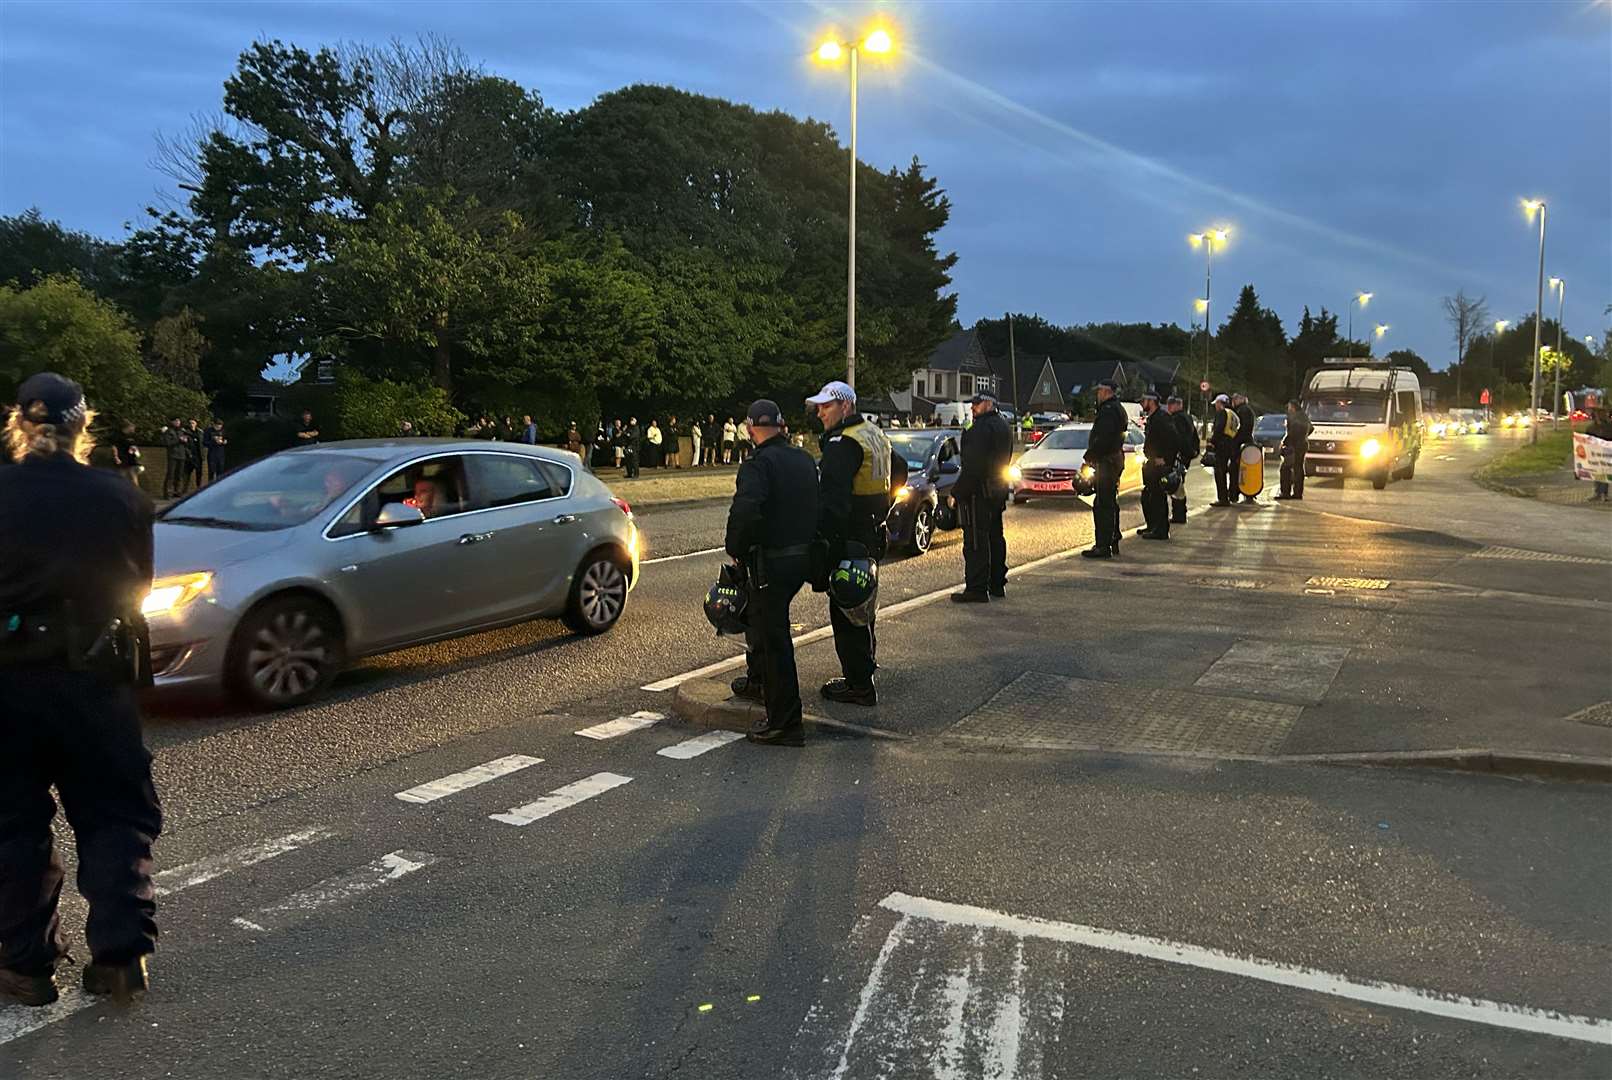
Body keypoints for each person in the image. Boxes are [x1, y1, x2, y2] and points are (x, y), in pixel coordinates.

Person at [0, 373, 162, 1006]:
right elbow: (139, 587)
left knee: (13, 823)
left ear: (18, 423)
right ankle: (121, 959)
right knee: (114, 815)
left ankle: (27, 966)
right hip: (95, 677)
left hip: (8, 679)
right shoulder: (120, 497)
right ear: (81, 427)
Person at [724, 400, 821, 746]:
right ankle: (762, 687)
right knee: (769, 632)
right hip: (802, 558)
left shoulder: (757, 465)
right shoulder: (803, 458)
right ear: (781, 426)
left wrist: (735, 548)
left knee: (773, 639)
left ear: (751, 429)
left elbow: (746, 511)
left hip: (771, 562)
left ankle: (784, 722)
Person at [808, 380, 891, 705]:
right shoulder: (872, 433)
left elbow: (833, 501)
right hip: (871, 534)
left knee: (846, 609)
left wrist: (825, 545)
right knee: (864, 605)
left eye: (826, 406)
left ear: (846, 406)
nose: (820, 412)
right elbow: (896, 469)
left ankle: (858, 684)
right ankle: (866, 666)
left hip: (849, 538)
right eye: (818, 406)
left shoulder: (843, 443)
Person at [952, 392, 1012, 602]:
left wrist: (957, 493)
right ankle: (996, 583)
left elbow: (973, 467)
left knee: (976, 540)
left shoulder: (980, 429)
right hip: (997, 490)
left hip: (979, 492)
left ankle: (976, 588)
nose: (972, 407)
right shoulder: (1003, 425)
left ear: (989, 404)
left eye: (977, 404)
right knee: (995, 537)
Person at [1081, 379, 1127, 559]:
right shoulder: (1117, 409)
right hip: (1114, 459)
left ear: (1106, 392)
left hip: (1107, 461)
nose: (1097, 395)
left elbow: (1103, 439)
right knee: (1110, 501)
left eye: (1099, 391)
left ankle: (1103, 545)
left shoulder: (1108, 411)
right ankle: (1113, 538)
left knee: (1103, 504)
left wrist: (1089, 457)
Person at [1136, 391, 1180, 540]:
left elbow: (1174, 439)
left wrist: (1166, 459)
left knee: (1158, 497)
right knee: (1149, 496)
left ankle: (1160, 530)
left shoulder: (1162, 418)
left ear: (1152, 401)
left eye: (1144, 400)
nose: (1142, 403)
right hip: (1151, 462)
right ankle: (1152, 525)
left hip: (1159, 464)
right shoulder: (1153, 418)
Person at [1166, 396, 1198, 524]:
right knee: (1179, 484)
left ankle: (1179, 514)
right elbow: (1194, 437)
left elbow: (1179, 439)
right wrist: (1193, 452)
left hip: (1179, 456)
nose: (1168, 407)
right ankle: (1179, 513)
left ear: (1177, 405)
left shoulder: (1177, 419)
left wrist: (1179, 453)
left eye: (1171, 404)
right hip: (1186, 456)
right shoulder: (1188, 418)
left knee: (1176, 485)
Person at [1276, 399, 1312, 500]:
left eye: (1289, 407)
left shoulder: (1293, 417)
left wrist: (1285, 443)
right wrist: (1303, 437)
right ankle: (1298, 493)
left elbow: (1291, 432)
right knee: (1299, 468)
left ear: (1292, 407)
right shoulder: (1304, 416)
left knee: (1285, 469)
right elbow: (1311, 428)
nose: (1288, 409)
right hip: (1303, 445)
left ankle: (1285, 492)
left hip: (1293, 446)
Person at [1208, 394, 1239, 507]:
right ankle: (1229, 495)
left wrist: (1212, 441)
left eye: (1216, 403)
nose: (1215, 406)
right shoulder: (1233, 414)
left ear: (1220, 403)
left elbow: (1219, 428)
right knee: (1225, 469)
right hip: (1230, 443)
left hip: (1221, 444)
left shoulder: (1222, 413)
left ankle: (1223, 498)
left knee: (1219, 471)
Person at [1232, 392, 1259, 503]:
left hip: (1242, 444)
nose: (1233, 401)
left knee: (1237, 469)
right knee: (1245, 469)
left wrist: (1235, 441)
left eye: (1235, 399)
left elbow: (1242, 429)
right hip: (1247, 443)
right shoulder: (1247, 410)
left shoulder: (1242, 411)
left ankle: (1235, 493)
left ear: (1241, 399)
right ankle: (1248, 492)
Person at [160, 416, 189, 498]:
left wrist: (185, 441)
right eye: (176, 421)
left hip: (181, 455)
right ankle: (167, 492)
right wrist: (179, 440)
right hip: (173, 455)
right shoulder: (169, 431)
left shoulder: (182, 431)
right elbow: (167, 443)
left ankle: (177, 491)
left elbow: (186, 443)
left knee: (179, 474)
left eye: (179, 421)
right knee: (170, 474)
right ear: (172, 422)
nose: (177, 422)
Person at [111, 420, 142, 487]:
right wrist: (116, 456)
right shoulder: (118, 435)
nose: (134, 429)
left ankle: (136, 493)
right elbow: (114, 447)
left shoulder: (132, 436)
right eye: (132, 427)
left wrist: (136, 452)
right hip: (122, 458)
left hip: (131, 458)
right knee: (122, 475)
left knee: (133, 475)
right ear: (128, 427)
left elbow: (134, 446)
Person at [203, 419, 228, 483]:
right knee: (211, 471)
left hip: (221, 454)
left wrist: (224, 442)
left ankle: (219, 486)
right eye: (217, 426)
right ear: (214, 425)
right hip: (212, 454)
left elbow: (226, 439)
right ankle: (210, 486)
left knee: (220, 471)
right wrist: (214, 442)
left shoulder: (223, 431)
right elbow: (205, 442)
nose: (219, 427)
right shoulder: (208, 431)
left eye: (220, 426)